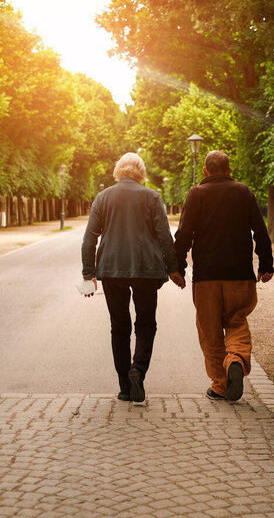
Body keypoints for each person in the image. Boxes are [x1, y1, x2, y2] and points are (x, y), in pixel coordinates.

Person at [81, 152, 185, 402]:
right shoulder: (151, 197)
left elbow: (89, 239)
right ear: (141, 172)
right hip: (145, 269)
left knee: (119, 326)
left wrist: (88, 274)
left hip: (112, 268)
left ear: (118, 170)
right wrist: (174, 269)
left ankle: (125, 387)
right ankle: (138, 369)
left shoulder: (103, 197)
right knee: (146, 323)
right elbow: (164, 237)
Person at [174, 150, 274, 402]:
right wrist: (266, 264)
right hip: (240, 274)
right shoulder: (243, 191)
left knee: (210, 331)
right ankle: (236, 359)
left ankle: (220, 385)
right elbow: (260, 231)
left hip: (206, 276)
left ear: (206, 171)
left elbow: (184, 234)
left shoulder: (196, 194)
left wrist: (177, 268)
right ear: (229, 170)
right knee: (237, 320)